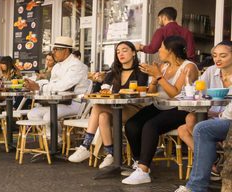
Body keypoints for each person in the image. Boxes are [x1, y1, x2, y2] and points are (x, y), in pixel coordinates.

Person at [122, 35, 199, 185]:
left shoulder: (188, 67)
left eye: (161, 47)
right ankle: (139, 163)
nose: (158, 50)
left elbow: (175, 94)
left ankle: (144, 171)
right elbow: (152, 91)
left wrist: (158, 75)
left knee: (151, 126)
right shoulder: (163, 67)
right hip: (160, 105)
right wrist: (154, 77)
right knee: (132, 124)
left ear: (170, 51)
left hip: (180, 108)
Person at [68, 41, 149, 167]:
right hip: (115, 108)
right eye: (118, 52)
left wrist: (123, 91)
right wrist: (99, 82)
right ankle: (111, 154)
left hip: (134, 109)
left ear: (133, 53)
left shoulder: (141, 71)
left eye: (124, 50)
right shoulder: (113, 72)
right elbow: (101, 92)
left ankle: (85, 146)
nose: (120, 54)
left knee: (98, 107)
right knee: (102, 116)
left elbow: (141, 91)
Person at [176, 41, 232, 177]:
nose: (217, 59)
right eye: (215, 55)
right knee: (185, 125)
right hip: (213, 115)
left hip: (227, 117)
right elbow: (197, 89)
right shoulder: (212, 70)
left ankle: (209, 160)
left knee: (195, 127)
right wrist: (188, 82)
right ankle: (212, 160)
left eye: (223, 56)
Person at [24, 36, 89, 139]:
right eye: (53, 49)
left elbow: (63, 86)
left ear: (66, 50)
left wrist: (39, 88)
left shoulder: (77, 66)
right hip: (58, 102)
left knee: (49, 117)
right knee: (32, 114)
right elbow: (52, 83)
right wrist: (37, 84)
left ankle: (55, 140)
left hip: (75, 103)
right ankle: (56, 139)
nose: (53, 52)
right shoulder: (57, 66)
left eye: (56, 49)